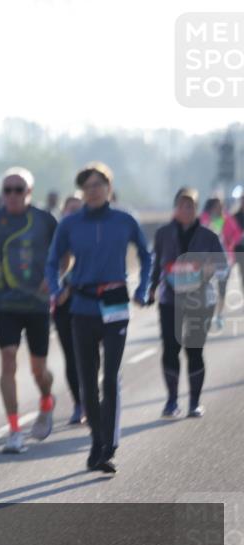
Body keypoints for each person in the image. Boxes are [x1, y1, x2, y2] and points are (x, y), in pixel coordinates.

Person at [46, 162, 152, 474]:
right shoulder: (69, 224)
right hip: (82, 305)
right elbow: (52, 262)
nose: (93, 191)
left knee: (111, 376)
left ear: (108, 188)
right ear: (82, 191)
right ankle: (96, 440)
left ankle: (108, 445)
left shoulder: (124, 220)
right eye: (88, 186)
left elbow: (146, 257)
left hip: (116, 303)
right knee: (88, 381)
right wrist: (56, 291)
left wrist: (143, 289)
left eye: (98, 185)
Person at [0, 167, 58, 454]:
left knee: (38, 370)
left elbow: (63, 254)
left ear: (29, 192)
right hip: (5, 304)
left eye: (18, 189)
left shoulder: (45, 220)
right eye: (7, 190)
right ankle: (14, 429)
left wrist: (55, 278)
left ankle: (46, 399)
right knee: (8, 361)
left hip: (37, 304)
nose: (12, 195)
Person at [149, 188, 227, 419]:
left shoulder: (208, 235)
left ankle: (194, 401)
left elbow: (223, 265)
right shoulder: (163, 233)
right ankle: (172, 401)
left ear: (196, 208)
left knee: (194, 350)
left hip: (199, 300)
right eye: (183, 205)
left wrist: (205, 269)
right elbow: (156, 264)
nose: (187, 209)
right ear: (175, 208)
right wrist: (152, 288)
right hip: (169, 300)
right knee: (170, 350)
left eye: (191, 205)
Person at [52, 193, 85, 425]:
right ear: (63, 212)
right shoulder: (55, 236)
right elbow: (47, 267)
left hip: (90, 302)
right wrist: (55, 289)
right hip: (63, 304)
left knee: (90, 355)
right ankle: (79, 404)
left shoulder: (94, 233)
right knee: (71, 356)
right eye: (69, 209)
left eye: (78, 209)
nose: (72, 213)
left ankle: (93, 395)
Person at [200, 197, 242, 331]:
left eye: (221, 205)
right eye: (217, 206)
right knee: (206, 288)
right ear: (211, 207)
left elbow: (237, 235)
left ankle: (219, 315)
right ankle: (207, 314)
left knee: (222, 288)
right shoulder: (203, 219)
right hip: (207, 260)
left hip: (225, 259)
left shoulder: (227, 219)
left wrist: (229, 241)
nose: (220, 208)